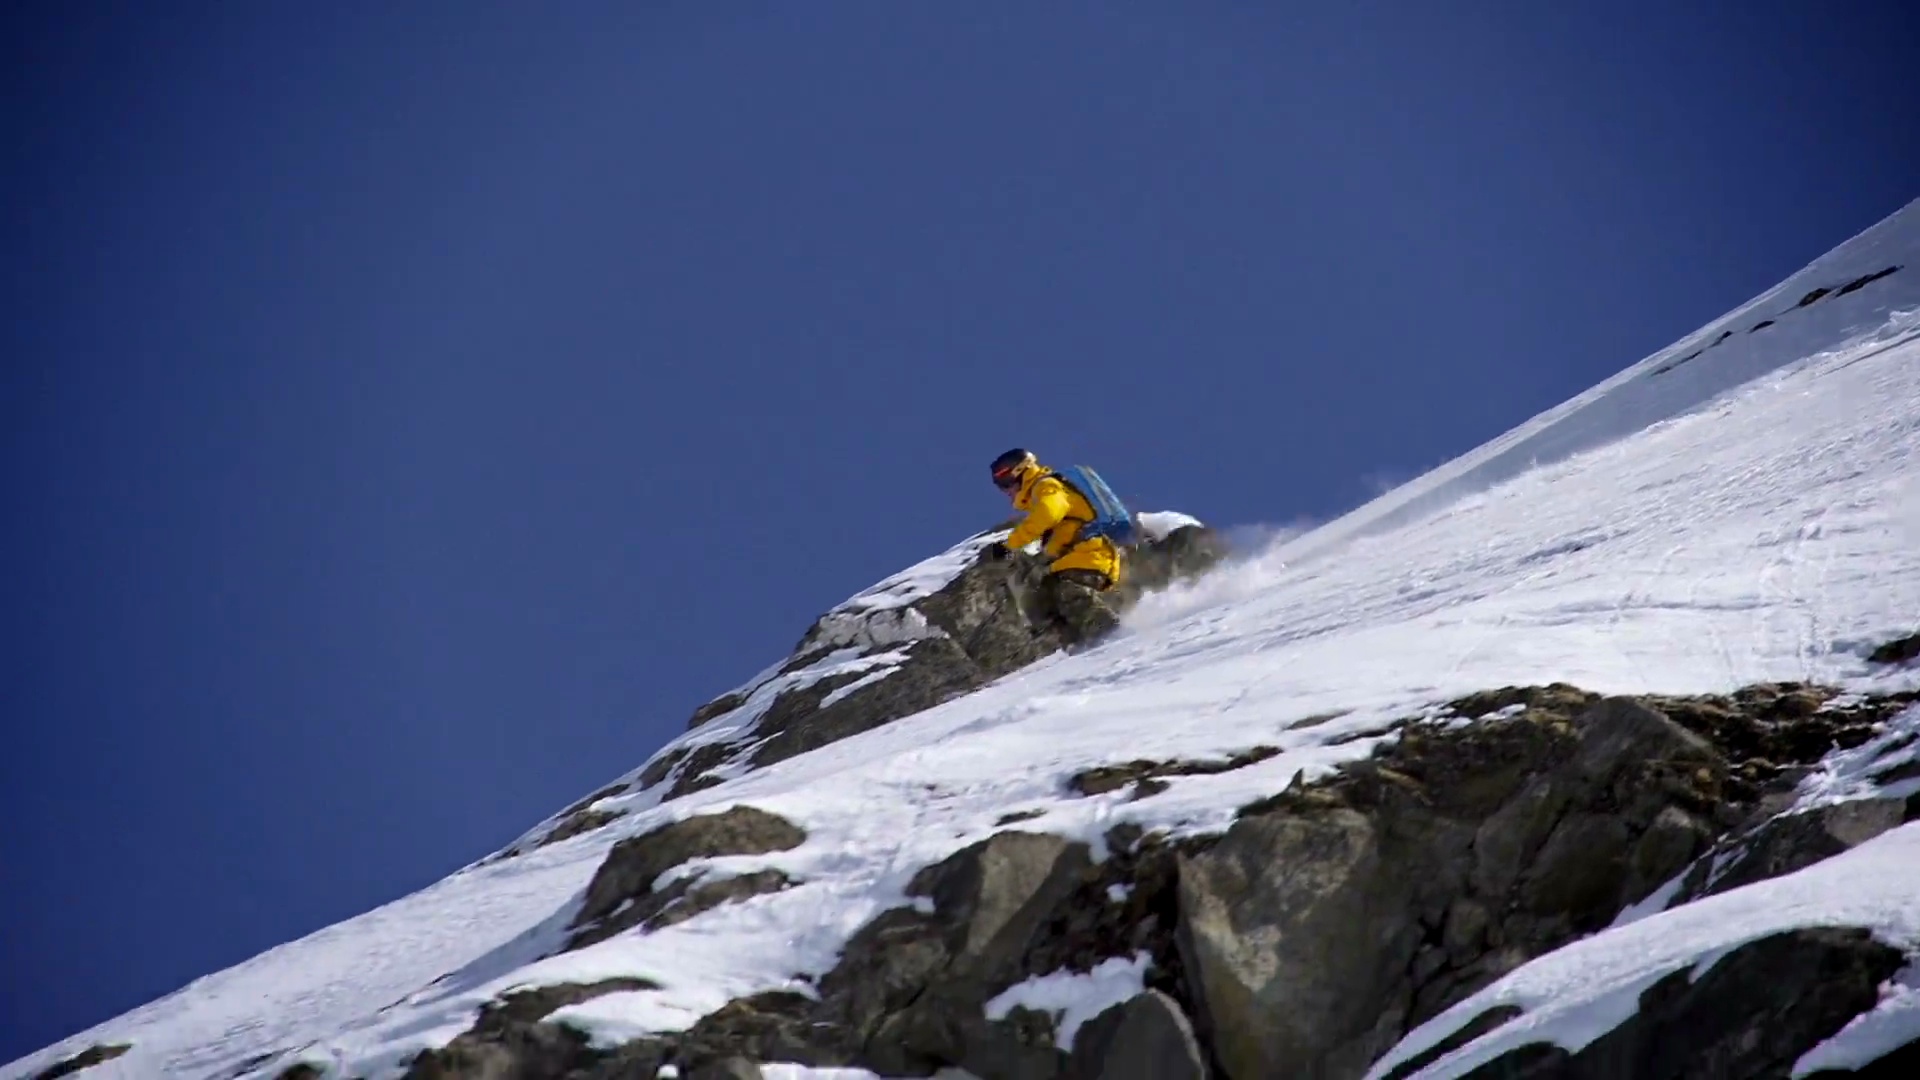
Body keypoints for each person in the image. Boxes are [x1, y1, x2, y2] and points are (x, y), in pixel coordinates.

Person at [984, 448, 1123, 643]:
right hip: (1075, 558)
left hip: (1091, 555)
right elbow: (1060, 533)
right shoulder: (1039, 495)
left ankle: (1112, 636)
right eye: (1000, 486)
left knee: (1066, 591)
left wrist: (1011, 544)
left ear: (1021, 471)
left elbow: (1050, 513)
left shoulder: (1047, 486)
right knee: (1045, 604)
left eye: (1005, 481)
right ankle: (1080, 648)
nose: (1005, 490)